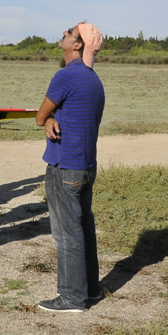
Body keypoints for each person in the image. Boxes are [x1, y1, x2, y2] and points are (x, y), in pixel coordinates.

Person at [35, 22, 105, 313]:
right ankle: (90, 289)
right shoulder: (93, 79)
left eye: (68, 33)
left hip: (64, 166)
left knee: (67, 233)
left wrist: (48, 120)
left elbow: (40, 116)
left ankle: (72, 298)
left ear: (78, 45)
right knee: (84, 227)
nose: (63, 34)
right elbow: (61, 116)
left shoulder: (65, 76)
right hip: (86, 165)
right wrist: (53, 119)